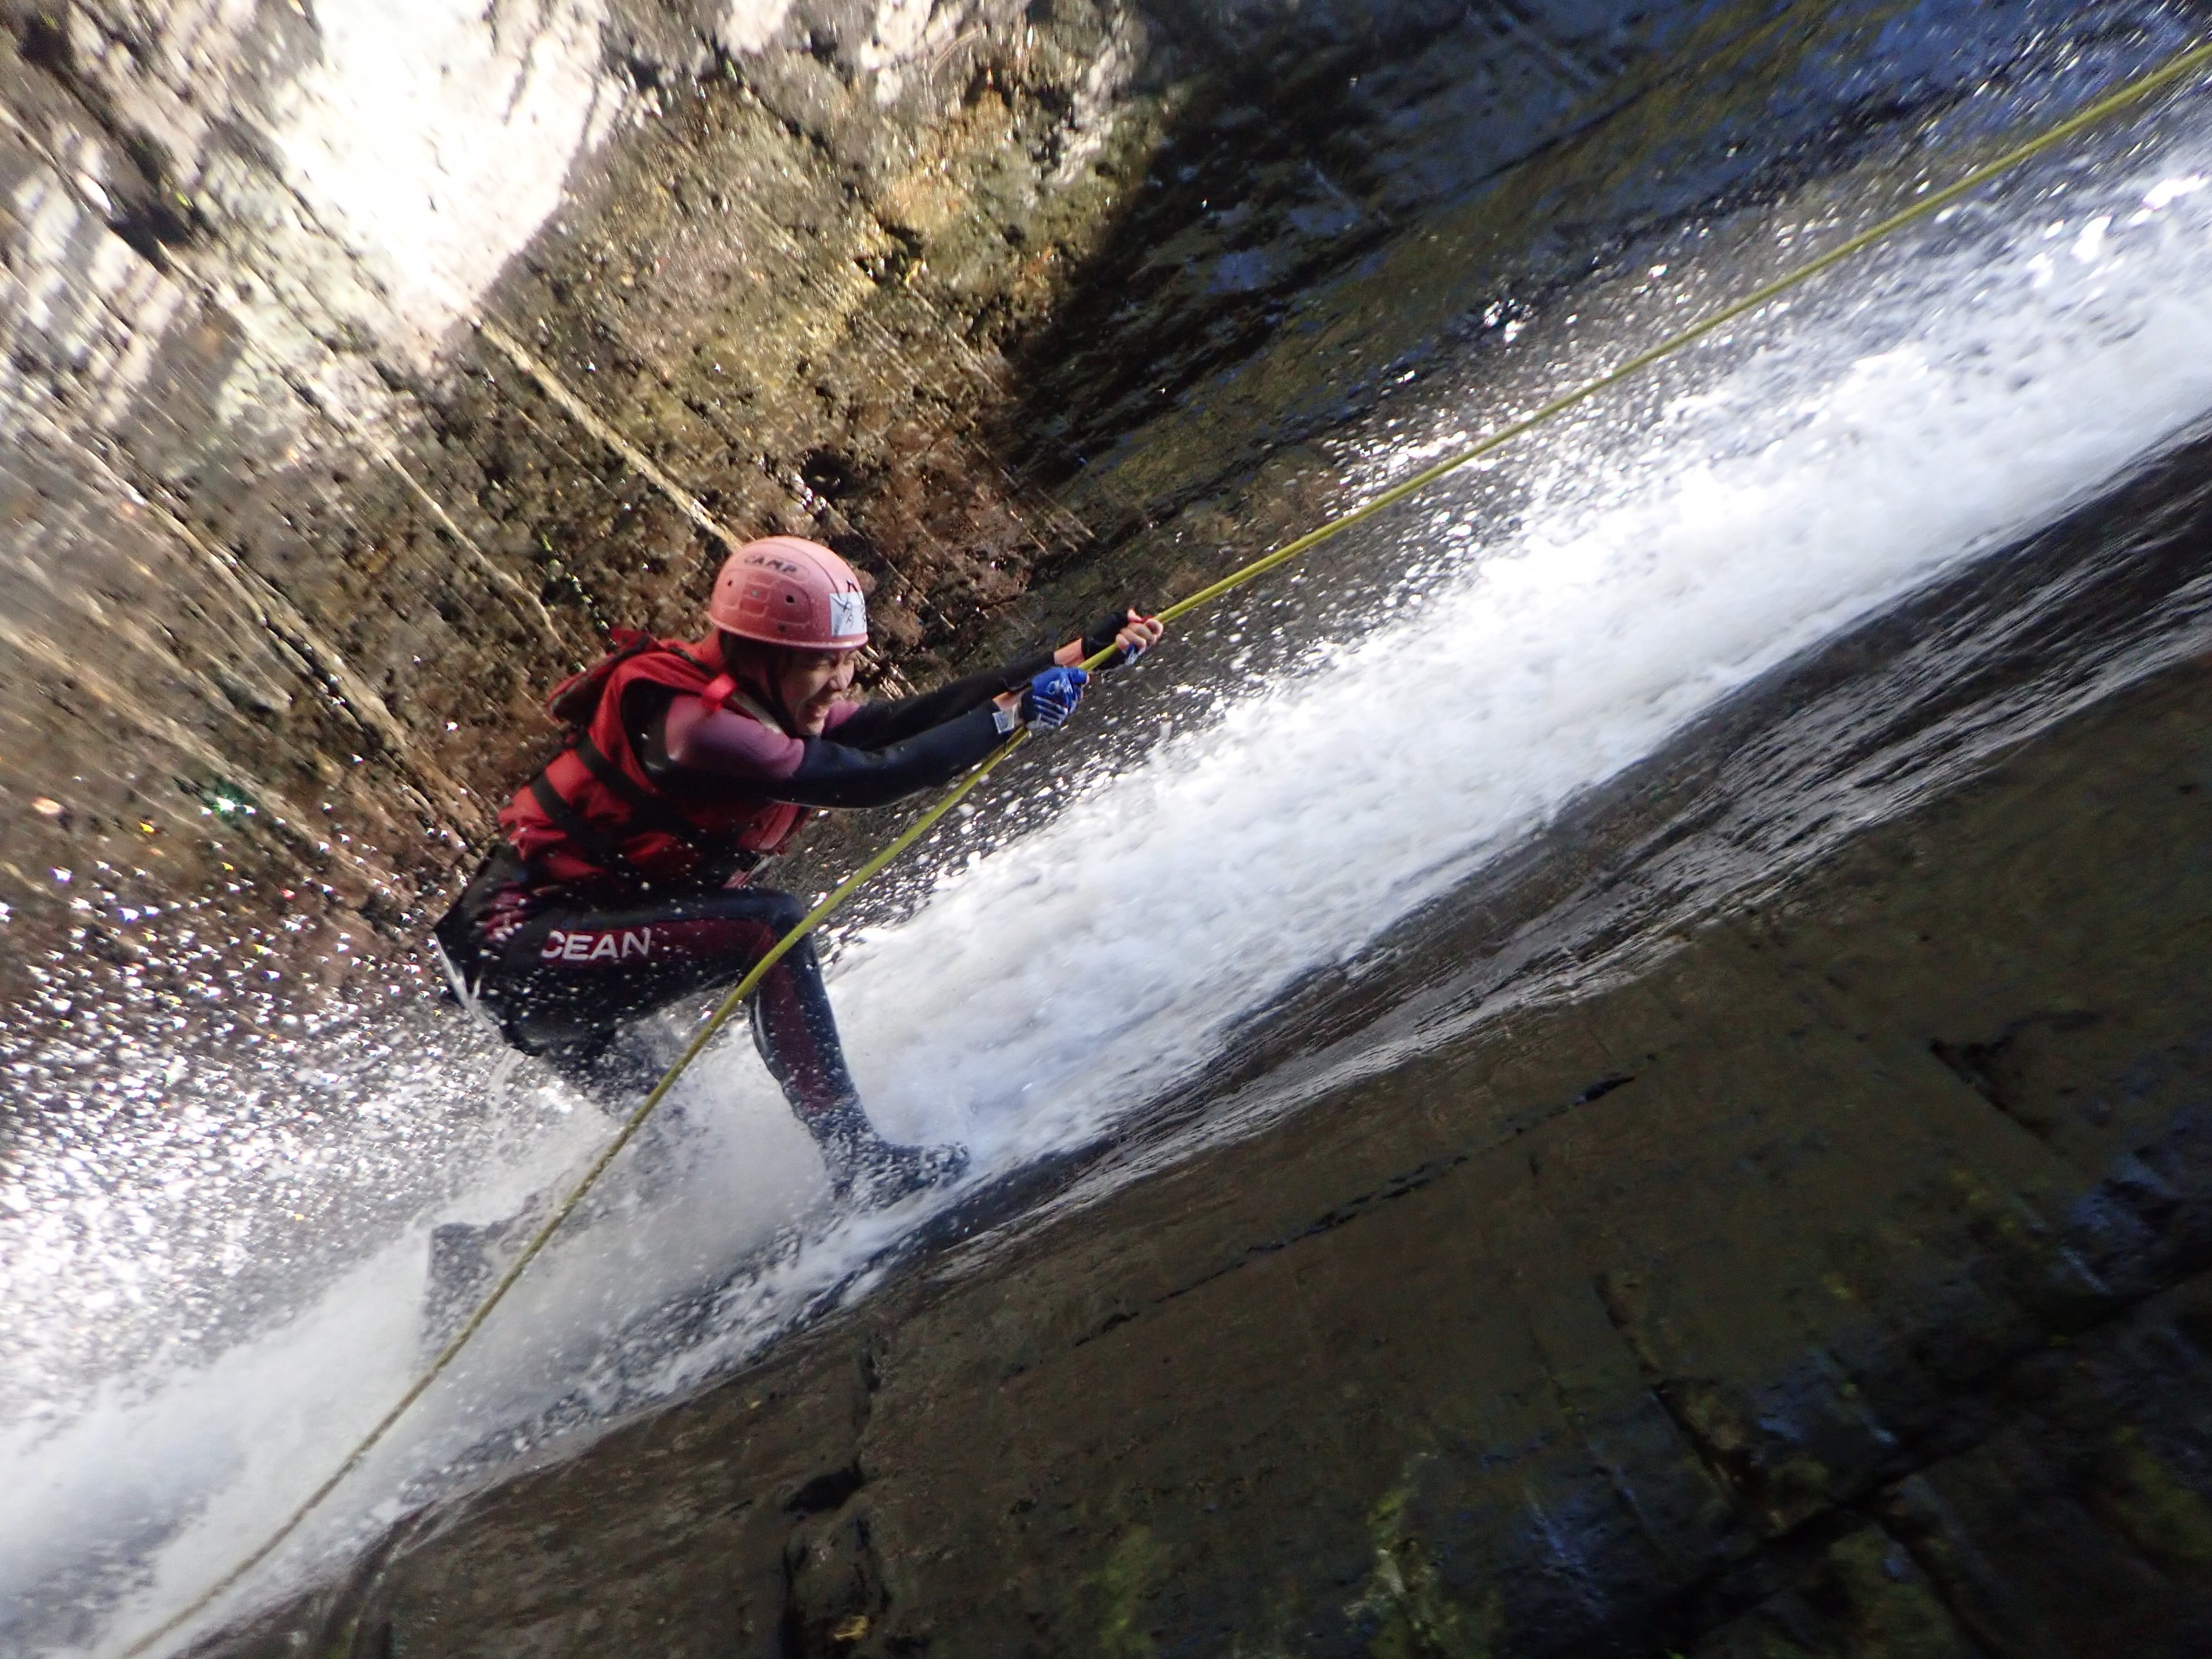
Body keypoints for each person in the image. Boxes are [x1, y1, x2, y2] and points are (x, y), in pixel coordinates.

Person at [432, 535, 1163, 1207]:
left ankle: (478, 1263)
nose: (839, 681)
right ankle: (858, 1163)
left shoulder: (765, 703)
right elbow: (875, 777)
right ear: (757, 656)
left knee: (685, 1150)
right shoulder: (698, 728)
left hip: (553, 945)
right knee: (771, 928)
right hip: (516, 948)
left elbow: (896, 724)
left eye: (847, 658)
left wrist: (1070, 658)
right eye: (822, 662)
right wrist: (1008, 718)